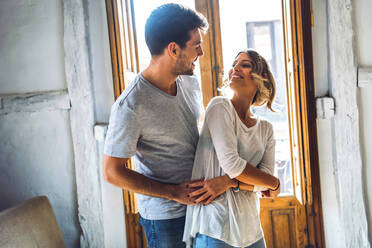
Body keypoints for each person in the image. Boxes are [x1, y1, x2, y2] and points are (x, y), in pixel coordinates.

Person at [102, 3, 208, 248]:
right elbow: (111, 172)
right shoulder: (130, 105)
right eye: (196, 46)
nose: (201, 53)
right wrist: (173, 192)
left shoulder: (189, 80)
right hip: (165, 220)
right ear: (173, 49)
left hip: (201, 208)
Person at [183, 49, 281, 248]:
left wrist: (229, 183)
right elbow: (234, 166)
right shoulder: (220, 107)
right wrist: (275, 183)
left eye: (244, 65)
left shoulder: (265, 129)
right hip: (216, 229)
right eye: (234, 64)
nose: (235, 68)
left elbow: (264, 182)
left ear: (261, 77)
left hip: (252, 232)